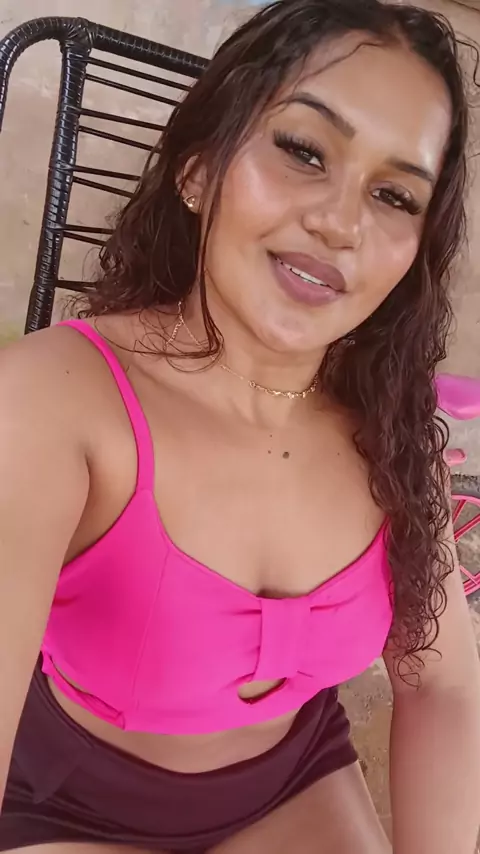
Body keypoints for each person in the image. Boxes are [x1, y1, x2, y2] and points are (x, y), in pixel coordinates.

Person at [1, 1, 480, 852]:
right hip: (70, 803)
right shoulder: (53, 402)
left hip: (292, 784)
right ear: (197, 168)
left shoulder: (392, 434)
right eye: (304, 150)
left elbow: (442, 686)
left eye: (394, 194)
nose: (340, 222)